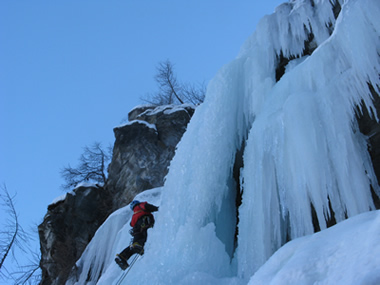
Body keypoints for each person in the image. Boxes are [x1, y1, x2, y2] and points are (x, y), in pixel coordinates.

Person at [115, 200, 159, 270]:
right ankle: (138, 246)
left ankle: (122, 256)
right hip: (144, 225)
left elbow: (131, 224)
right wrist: (159, 208)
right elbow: (149, 207)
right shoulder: (141, 205)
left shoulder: (134, 215)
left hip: (136, 230)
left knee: (133, 246)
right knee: (142, 241)